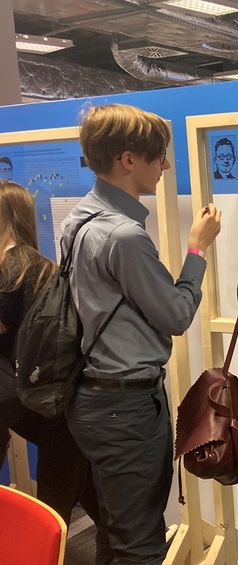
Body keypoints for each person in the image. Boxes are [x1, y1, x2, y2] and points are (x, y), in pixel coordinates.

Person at [62, 103, 222, 564]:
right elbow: (176, 314)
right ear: (128, 159)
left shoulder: (79, 219)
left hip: (94, 399)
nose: (165, 166)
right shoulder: (123, 236)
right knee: (141, 545)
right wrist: (197, 249)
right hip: (125, 409)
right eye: (159, 156)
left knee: (116, 529)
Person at [0, 180, 102, 529]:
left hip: (12, 396)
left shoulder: (13, 267)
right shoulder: (41, 268)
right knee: (62, 480)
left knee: (73, 468)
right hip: (34, 395)